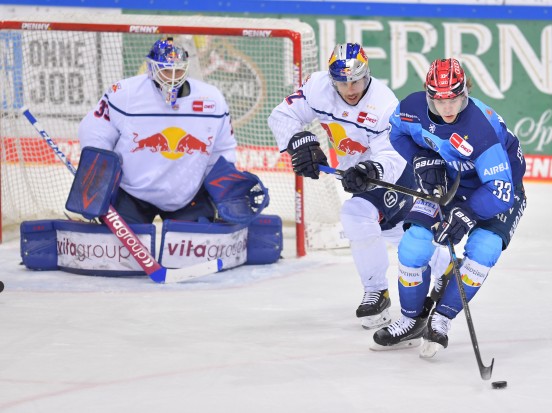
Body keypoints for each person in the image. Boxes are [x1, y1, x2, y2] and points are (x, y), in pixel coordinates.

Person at [268, 43, 450, 329]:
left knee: (356, 215)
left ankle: (376, 291)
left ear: (368, 75)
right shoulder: (317, 88)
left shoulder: (384, 104)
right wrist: (301, 142)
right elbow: (282, 115)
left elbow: (393, 155)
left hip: (394, 174)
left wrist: (371, 168)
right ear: (332, 81)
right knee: (393, 232)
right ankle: (445, 264)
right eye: (343, 82)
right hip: (357, 176)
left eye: (357, 80)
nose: (351, 88)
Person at [371, 58, 526, 356]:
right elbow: (397, 133)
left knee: (484, 250)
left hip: (498, 189)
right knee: (414, 245)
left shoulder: (481, 129)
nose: (448, 107)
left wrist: (467, 215)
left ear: (464, 92)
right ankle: (411, 319)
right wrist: (420, 158)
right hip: (452, 181)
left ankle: (441, 318)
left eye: (455, 98)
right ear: (429, 96)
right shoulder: (412, 108)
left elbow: (501, 191)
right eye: (440, 100)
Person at [78, 37, 237, 224]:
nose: (172, 78)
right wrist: (97, 177)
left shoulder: (212, 99)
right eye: (166, 70)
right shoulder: (124, 93)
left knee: (195, 248)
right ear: (151, 68)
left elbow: (222, 149)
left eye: (178, 70)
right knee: (115, 251)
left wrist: (224, 188)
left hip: (187, 194)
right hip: (132, 192)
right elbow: (95, 131)